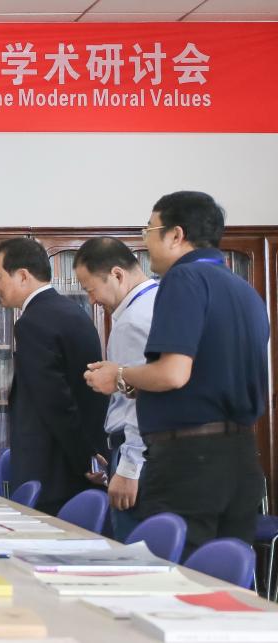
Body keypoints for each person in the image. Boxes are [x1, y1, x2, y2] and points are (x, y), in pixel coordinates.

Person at [85, 191, 268, 556]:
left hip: (190, 462)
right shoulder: (244, 288)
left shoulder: (183, 278)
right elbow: (204, 378)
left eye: (149, 230)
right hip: (242, 458)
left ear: (176, 235)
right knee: (224, 576)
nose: (145, 242)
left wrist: (120, 375)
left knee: (177, 575)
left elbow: (173, 374)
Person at [0, 238, 107, 515]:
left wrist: (83, 458)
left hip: (51, 471)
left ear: (22, 276)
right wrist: (89, 456)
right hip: (77, 465)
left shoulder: (33, 322)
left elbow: (54, 401)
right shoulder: (73, 312)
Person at [74, 237, 157, 542]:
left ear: (117, 275)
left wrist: (128, 467)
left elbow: (140, 400)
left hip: (138, 454)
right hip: (150, 451)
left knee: (132, 550)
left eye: (90, 289)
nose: (92, 300)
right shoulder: (158, 301)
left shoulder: (132, 321)